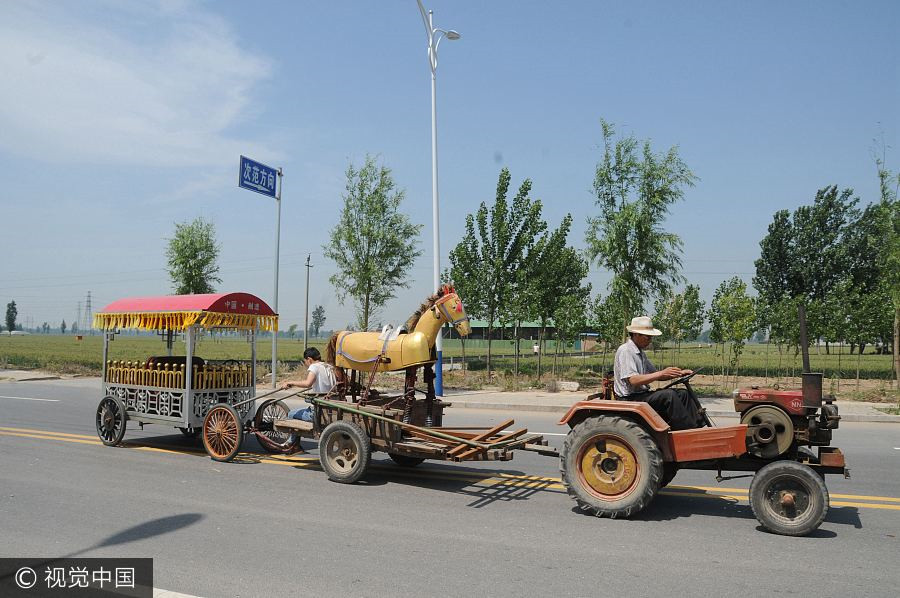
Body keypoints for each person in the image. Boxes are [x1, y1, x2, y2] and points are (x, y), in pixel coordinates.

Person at [613, 316, 702, 430]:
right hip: (630, 398)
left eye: (651, 337)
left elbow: (655, 374)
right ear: (636, 334)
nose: (650, 340)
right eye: (648, 337)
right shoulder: (626, 351)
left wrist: (678, 373)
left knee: (683, 394)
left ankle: (697, 426)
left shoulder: (640, 352)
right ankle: (685, 431)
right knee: (669, 396)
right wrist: (661, 373)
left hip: (641, 395)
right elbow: (633, 380)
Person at [280, 347, 336, 422]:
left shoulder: (314, 366)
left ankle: (294, 434)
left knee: (291, 414)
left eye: (305, 361)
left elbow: (308, 383)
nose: (306, 364)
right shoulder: (328, 367)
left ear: (309, 359)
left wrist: (290, 382)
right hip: (332, 407)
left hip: (320, 410)